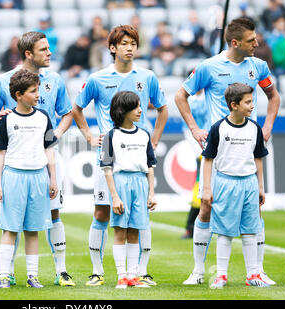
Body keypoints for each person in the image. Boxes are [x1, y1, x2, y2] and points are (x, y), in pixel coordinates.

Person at [175, 17, 281, 286]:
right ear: (235, 43)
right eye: (250, 40)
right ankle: (199, 271)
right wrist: (195, 129)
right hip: (217, 149)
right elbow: (180, 96)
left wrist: (266, 126)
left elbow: (274, 97)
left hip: (248, 146)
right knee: (206, 207)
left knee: (255, 211)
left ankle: (257, 271)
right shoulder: (209, 67)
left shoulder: (257, 66)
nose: (257, 43)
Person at [72, 24, 168, 287]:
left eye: (133, 43)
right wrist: (90, 137)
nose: (130, 48)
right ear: (112, 48)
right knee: (103, 213)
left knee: (139, 215)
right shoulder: (97, 78)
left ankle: (140, 272)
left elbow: (163, 109)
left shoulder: (147, 76)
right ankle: (97, 270)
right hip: (110, 154)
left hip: (137, 153)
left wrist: (154, 141)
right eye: (124, 43)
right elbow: (77, 108)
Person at [0, 31, 75, 287]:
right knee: (11, 222)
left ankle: (61, 270)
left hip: (45, 159)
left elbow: (67, 114)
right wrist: (1, 120)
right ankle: (7, 273)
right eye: (44, 49)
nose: (50, 53)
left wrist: (51, 135)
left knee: (54, 212)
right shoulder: (4, 81)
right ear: (28, 53)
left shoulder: (55, 79)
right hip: (18, 161)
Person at [0, 69, 58, 289]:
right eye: (33, 91)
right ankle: (4, 275)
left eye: (38, 90)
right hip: (14, 176)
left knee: (32, 229)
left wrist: (53, 179)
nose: (38, 95)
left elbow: (50, 149)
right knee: (10, 228)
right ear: (19, 95)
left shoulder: (44, 117)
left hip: (39, 176)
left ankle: (32, 276)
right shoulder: (6, 120)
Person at [202, 83, 270, 288]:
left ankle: (253, 275)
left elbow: (258, 158)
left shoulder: (254, 128)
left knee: (251, 230)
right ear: (234, 105)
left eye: (252, 101)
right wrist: (207, 187)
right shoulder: (218, 128)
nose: (252, 105)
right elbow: (208, 159)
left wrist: (260, 186)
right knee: (225, 231)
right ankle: (221, 275)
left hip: (249, 182)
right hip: (226, 182)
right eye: (248, 102)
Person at [101, 91, 157, 289]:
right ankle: (121, 275)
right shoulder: (111, 136)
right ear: (122, 111)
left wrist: (151, 192)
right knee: (120, 230)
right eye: (135, 107)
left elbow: (150, 166)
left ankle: (133, 275)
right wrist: (114, 197)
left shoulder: (144, 135)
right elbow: (107, 168)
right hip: (121, 182)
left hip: (140, 183)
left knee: (135, 230)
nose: (140, 110)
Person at [181, 87, 207, 240]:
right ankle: (191, 228)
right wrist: (200, 150)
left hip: (210, 146)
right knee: (200, 188)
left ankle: (192, 228)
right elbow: (187, 128)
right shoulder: (188, 100)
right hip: (202, 150)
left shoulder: (208, 97)